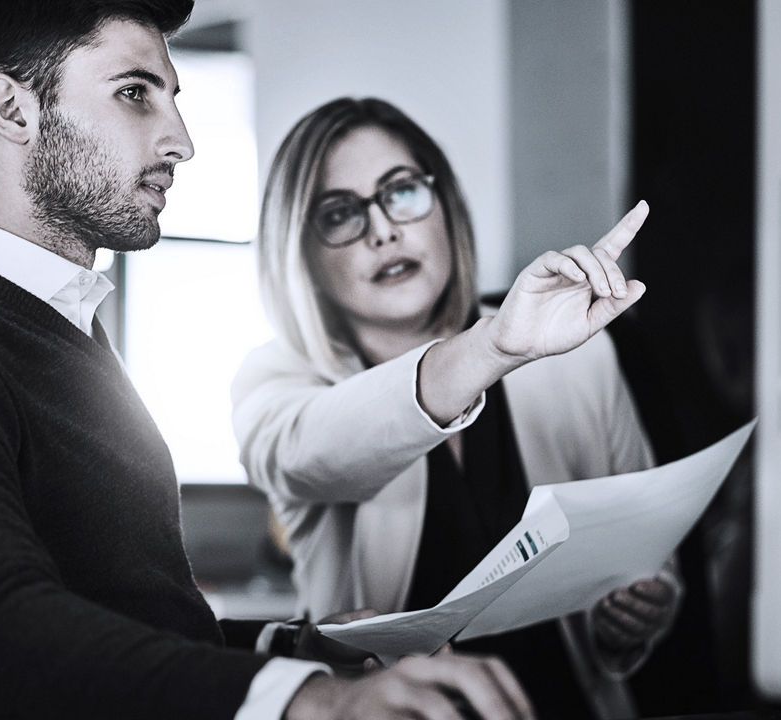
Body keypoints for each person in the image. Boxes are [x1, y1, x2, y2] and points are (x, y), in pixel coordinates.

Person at [0, 2, 538, 719]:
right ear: (12, 110)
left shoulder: (57, 330)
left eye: (173, 99)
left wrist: (299, 650)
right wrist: (310, 703)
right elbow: (3, 644)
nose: (180, 141)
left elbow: (129, 626)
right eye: (135, 94)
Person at [231, 97, 682, 719]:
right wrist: (493, 348)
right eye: (340, 213)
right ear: (302, 255)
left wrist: (633, 616)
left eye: (403, 191)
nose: (383, 229)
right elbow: (314, 453)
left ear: (446, 206)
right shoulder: (278, 378)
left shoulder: (581, 355)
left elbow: (647, 547)